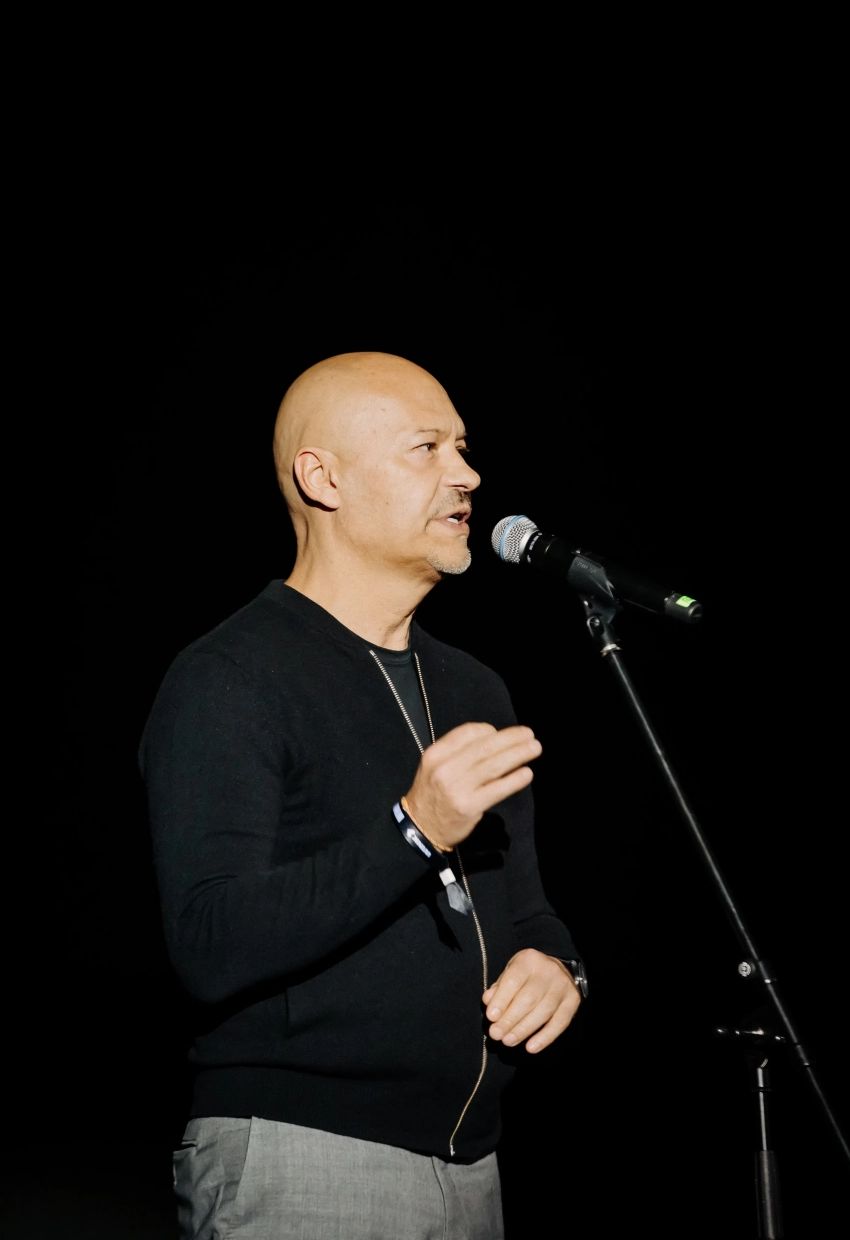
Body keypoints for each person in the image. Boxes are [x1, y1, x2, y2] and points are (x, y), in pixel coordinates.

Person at [141, 352, 584, 1240]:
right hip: (305, 1156)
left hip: (476, 1166)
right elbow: (209, 939)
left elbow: (526, 910)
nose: (467, 475)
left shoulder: (476, 689)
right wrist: (414, 829)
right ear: (323, 478)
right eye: (427, 447)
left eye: (463, 448)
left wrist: (557, 964)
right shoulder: (230, 675)